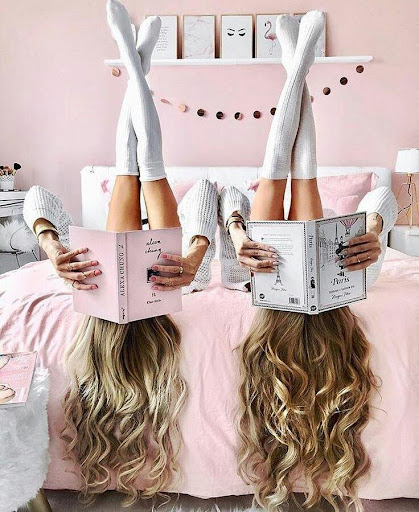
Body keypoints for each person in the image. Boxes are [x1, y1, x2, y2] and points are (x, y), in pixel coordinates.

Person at [22, 2, 217, 504]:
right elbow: (206, 196)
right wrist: (198, 253)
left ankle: (135, 64)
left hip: (116, 268)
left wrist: (51, 246)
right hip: (172, 266)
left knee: (129, 170)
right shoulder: (178, 305)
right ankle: (135, 66)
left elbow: (35, 199)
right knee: (149, 169)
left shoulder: (92, 319)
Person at [215, 12, 398, 512]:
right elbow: (383, 196)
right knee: (305, 180)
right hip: (324, 238)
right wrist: (375, 232)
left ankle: (295, 64)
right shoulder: (359, 276)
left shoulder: (253, 302)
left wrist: (236, 234)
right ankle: (297, 64)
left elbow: (226, 194)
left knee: (276, 181)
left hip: (261, 255)